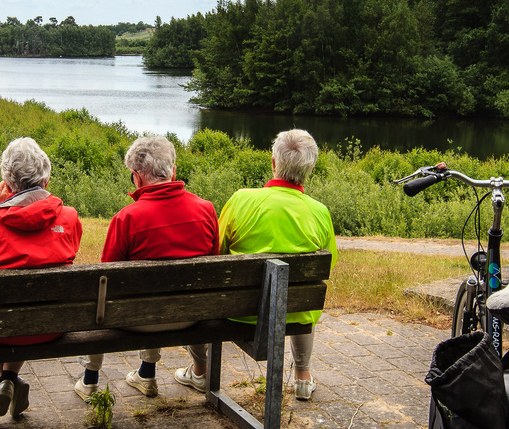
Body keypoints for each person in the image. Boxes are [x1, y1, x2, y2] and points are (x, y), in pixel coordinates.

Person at [177, 129, 337, 401]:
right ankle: (302, 377)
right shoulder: (320, 212)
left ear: (273, 163)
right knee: (299, 297)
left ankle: (200, 371)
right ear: (311, 167)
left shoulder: (242, 199)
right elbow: (325, 266)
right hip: (292, 314)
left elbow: (215, 252)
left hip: (238, 311)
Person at [79, 135, 219, 400]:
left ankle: (90, 380)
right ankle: (145, 373)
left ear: (137, 177)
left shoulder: (127, 218)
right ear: (173, 171)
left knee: (100, 299)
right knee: (164, 294)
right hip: (192, 316)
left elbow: (105, 279)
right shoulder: (206, 210)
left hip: (138, 320)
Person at [0, 137, 82, 418]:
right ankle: (11, 381)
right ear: (47, 180)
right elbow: (70, 250)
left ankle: (7, 381)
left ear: (7, 181)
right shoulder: (70, 218)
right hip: (53, 325)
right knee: (25, 312)